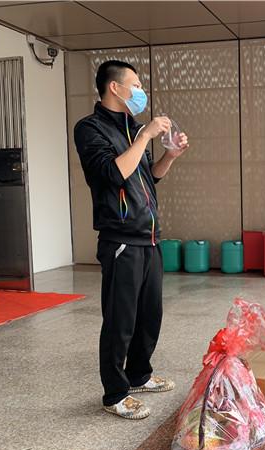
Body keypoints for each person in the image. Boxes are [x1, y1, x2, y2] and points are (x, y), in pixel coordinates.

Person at [74, 60, 189, 420]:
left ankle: (139, 374)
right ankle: (115, 393)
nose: (140, 91)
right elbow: (113, 173)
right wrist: (144, 137)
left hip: (149, 237)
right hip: (121, 238)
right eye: (136, 85)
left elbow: (148, 177)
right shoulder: (89, 128)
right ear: (115, 87)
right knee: (120, 320)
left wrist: (170, 155)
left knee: (149, 315)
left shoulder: (132, 128)